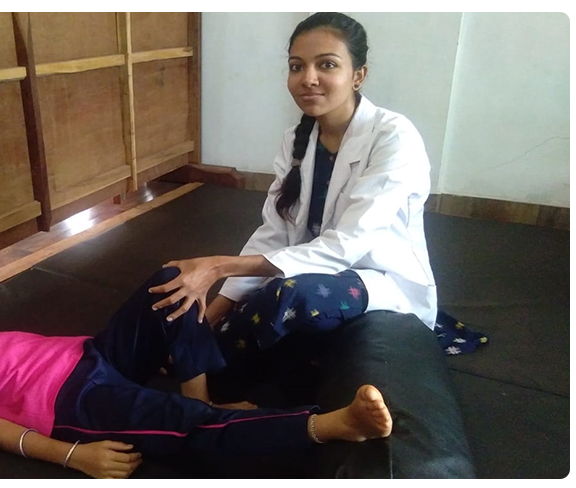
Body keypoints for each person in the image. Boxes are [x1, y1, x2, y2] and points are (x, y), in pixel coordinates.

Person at [0, 268, 393, 479]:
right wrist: (73, 456)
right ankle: (327, 426)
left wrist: (128, 348)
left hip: (95, 355)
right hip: (70, 405)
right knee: (179, 421)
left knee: (169, 283)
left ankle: (206, 394)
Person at [150, 13, 438, 358]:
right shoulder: (297, 140)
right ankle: (199, 350)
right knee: (262, 295)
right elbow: (274, 232)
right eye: (297, 66)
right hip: (308, 271)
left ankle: (202, 363)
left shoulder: (393, 136)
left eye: (327, 65)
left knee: (291, 294)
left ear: (358, 75)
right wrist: (215, 311)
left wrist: (217, 266)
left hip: (375, 278)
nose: (308, 79)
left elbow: (346, 246)